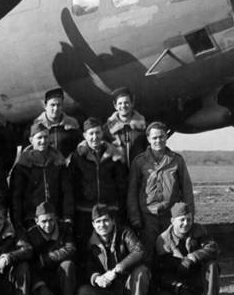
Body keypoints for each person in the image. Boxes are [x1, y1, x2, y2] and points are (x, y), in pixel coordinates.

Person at [127, 121, 195, 257]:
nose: (158, 140)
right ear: (148, 139)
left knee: (170, 253)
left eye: (161, 137)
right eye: (154, 137)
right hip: (147, 217)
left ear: (166, 137)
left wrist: (190, 215)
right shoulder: (139, 162)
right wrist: (135, 218)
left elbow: (187, 189)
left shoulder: (177, 160)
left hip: (170, 217)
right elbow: (132, 192)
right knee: (148, 254)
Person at [77, 204, 150, 295]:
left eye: (106, 220)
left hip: (128, 284)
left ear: (113, 221)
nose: (102, 225)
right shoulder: (91, 242)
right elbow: (89, 267)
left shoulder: (125, 233)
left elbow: (139, 251)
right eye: (98, 222)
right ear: (93, 224)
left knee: (142, 271)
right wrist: (97, 278)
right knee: (83, 292)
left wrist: (118, 269)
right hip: (108, 289)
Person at [154, 202, 221, 295]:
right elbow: (160, 270)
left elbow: (213, 248)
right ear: (172, 221)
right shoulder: (162, 240)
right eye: (182, 220)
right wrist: (175, 285)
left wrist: (192, 257)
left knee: (212, 265)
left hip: (198, 277)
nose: (186, 223)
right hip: (177, 283)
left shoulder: (199, 230)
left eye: (189, 219)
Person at [9, 121, 71, 230]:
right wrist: (17, 222)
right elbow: (16, 196)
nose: (43, 141)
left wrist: (68, 216)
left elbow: (67, 191)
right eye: (39, 138)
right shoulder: (22, 166)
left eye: (46, 137)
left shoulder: (58, 163)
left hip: (55, 216)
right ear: (31, 140)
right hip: (31, 218)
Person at [25, 202, 79, 295]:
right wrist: (39, 285)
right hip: (41, 279)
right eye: (44, 221)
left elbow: (71, 249)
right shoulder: (31, 234)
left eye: (51, 220)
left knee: (68, 265)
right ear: (36, 221)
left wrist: (46, 259)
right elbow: (30, 262)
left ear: (56, 219)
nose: (48, 225)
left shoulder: (65, 230)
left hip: (61, 276)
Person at [71, 117, 128, 236]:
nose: (95, 137)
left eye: (97, 132)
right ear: (84, 135)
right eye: (91, 133)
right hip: (85, 211)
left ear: (102, 133)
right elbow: (72, 184)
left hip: (109, 210)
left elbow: (122, 184)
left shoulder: (114, 156)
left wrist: (119, 207)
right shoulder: (77, 158)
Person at [104, 87, 148, 172]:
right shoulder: (107, 129)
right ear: (115, 106)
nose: (123, 106)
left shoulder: (144, 127)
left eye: (126, 103)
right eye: (120, 103)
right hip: (117, 177)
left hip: (139, 174)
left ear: (132, 104)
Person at [32, 87, 82, 159]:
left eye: (58, 105)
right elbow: (27, 153)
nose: (56, 109)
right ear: (45, 106)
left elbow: (81, 146)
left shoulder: (72, 123)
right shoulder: (36, 125)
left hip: (66, 166)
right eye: (52, 105)